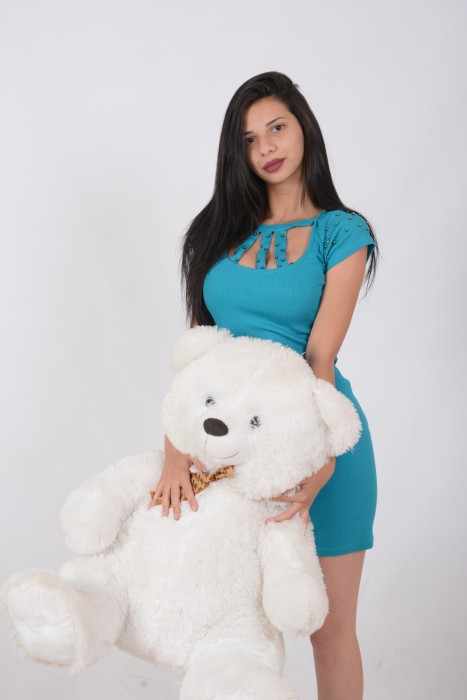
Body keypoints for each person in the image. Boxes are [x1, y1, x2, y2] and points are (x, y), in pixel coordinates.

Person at [150, 71, 379, 700]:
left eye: (277, 127)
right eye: (249, 140)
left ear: (303, 126)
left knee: (330, 633)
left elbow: (320, 356)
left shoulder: (342, 233)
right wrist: (174, 450)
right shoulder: (214, 232)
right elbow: (198, 355)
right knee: (227, 632)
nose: (267, 147)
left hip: (317, 447)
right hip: (224, 453)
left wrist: (325, 461)